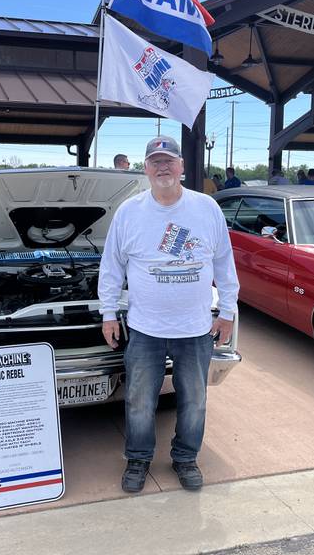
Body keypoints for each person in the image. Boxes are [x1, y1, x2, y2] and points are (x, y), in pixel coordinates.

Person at [99, 135, 239, 494]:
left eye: (169, 161)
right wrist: (108, 313)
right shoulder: (129, 212)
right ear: (145, 169)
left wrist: (227, 310)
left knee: (194, 401)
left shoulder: (206, 208)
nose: (163, 167)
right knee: (140, 401)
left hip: (195, 329)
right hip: (145, 328)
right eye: (155, 161)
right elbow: (112, 266)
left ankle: (185, 458)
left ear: (182, 167)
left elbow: (224, 262)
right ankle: (138, 459)